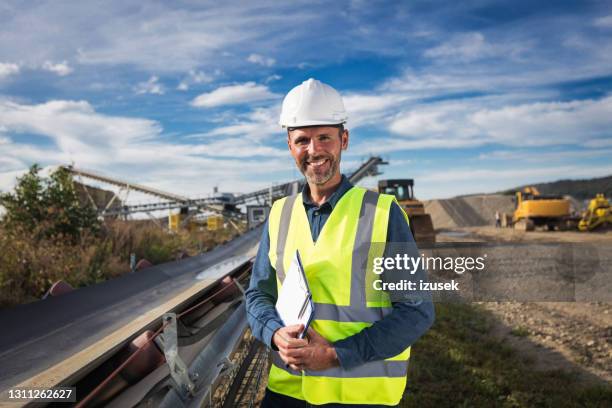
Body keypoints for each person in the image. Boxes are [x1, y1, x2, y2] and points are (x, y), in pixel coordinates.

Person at [245, 78, 435, 407]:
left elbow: (416, 312)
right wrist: (274, 334)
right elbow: (258, 294)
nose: (314, 150)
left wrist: (335, 355)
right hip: (288, 392)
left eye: (324, 138)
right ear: (289, 145)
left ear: (343, 140)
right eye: (302, 140)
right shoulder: (279, 214)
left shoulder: (383, 215)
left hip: (358, 395)